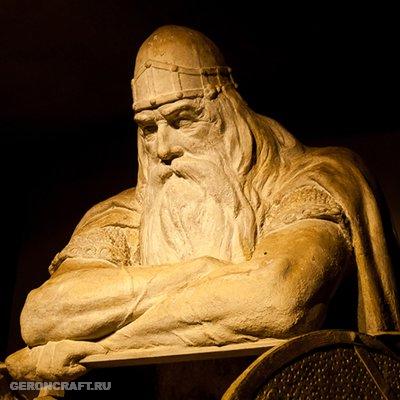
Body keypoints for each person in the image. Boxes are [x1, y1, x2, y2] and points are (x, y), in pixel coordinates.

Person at [6, 25, 399, 381]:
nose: (163, 148)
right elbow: (44, 315)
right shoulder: (124, 215)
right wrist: (200, 272)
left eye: (182, 120)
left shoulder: (311, 181)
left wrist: (103, 346)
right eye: (148, 128)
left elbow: (278, 300)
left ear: (227, 111)